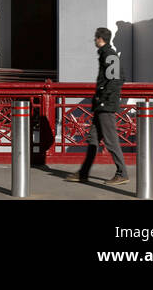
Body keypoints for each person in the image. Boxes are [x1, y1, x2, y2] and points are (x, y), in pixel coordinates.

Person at [65, 27, 128, 185]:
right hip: (101, 105)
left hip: (105, 106)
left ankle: (122, 173)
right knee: (93, 138)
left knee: (111, 140)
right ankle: (84, 173)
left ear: (101, 39)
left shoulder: (109, 55)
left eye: (95, 38)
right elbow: (121, 77)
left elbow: (116, 80)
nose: (94, 40)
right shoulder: (107, 54)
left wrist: (104, 99)